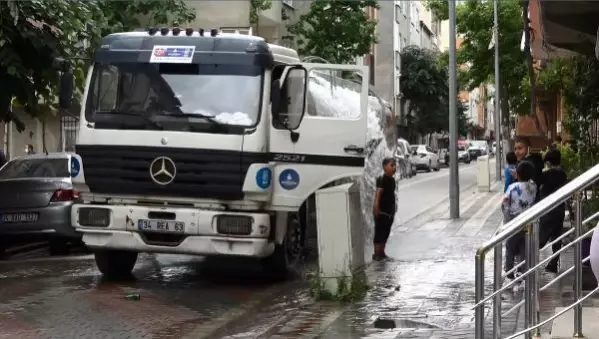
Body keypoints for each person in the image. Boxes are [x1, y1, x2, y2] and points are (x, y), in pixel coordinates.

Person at [503, 160, 538, 280]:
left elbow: (505, 201)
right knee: (524, 246)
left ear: (517, 173)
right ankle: (523, 270)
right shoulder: (533, 187)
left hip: (514, 221)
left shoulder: (512, 187)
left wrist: (506, 216)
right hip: (528, 221)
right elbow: (530, 181)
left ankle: (509, 270)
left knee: (510, 246)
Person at [539, 149, 568, 273]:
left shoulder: (546, 174)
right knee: (557, 237)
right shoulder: (563, 174)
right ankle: (554, 263)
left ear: (549, 162)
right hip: (559, 209)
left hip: (549, 209)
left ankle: (527, 263)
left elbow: (540, 188)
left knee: (540, 238)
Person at [373, 157, 397, 261]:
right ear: (384, 167)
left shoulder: (392, 180)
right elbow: (378, 194)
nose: (394, 168)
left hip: (389, 212)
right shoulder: (382, 179)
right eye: (391, 165)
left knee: (386, 232)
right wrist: (376, 207)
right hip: (382, 211)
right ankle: (377, 253)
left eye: (395, 165)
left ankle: (382, 252)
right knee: (379, 232)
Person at [512, 136, 543, 202]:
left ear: (529, 148)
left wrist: (517, 177)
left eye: (520, 148)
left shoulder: (530, 163)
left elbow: (531, 184)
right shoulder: (524, 161)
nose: (517, 152)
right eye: (515, 149)